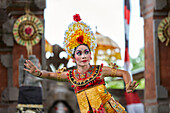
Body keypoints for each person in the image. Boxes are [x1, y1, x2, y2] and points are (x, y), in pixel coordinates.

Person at [24, 14, 138, 113]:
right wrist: (38, 73)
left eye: (86, 52)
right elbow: (50, 75)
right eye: (79, 53)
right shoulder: (72, 76)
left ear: (90, 55)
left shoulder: (99, 71)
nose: (83, 56)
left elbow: (124, 73)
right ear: (74, 58)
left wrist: (128, 85)